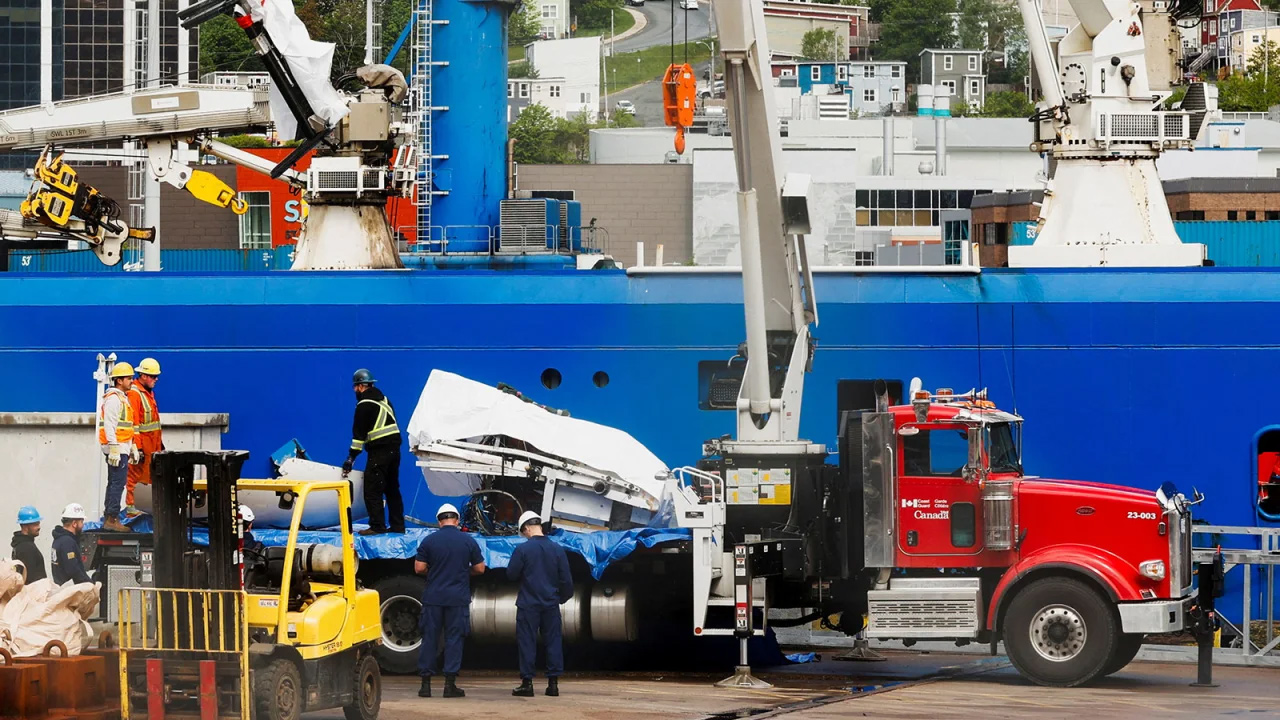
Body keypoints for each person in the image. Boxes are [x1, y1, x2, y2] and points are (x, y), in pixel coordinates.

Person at [414, 503, 485, 699]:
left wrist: (434, 573)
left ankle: (425, 686)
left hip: (433, 598)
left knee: (430, 639)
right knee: (454, 639)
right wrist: (464, 573)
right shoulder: (468, 541)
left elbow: (419, 568)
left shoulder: (429, 541)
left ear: (439, 521)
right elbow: (480, 569)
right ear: (457, 520)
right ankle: (449, 685)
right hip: (457, 599)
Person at [507, 511, 573, 698]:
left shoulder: (523, 550)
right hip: (550, 604)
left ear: (527, 528)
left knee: (527, 642)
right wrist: (560, 599)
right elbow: (566, 581)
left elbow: (511, 574)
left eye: (523, 532)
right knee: (553, 641)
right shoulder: (557, 549)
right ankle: (553, 685)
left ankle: (527, 684)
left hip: (528, 604)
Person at [342, 369, 405, 535]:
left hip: (379, 451)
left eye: (355, 387)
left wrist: (350, 459)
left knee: (372, 489)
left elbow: (358, 437)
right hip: (394, 450)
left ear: (361, 386)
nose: (355, 390)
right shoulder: (384, 400)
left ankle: (377, 526)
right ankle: (398, 526)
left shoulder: (364, 405)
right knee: (392, 488)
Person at [98, 362, 138, 532]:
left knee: (114, 483)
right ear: (119, 380)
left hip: (121, 447)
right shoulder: (114, 399)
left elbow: (126, 426)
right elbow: (110, 425)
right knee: (117, 483)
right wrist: (114, 447)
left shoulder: (122, 398)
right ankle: (112, 519)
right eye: (128, 378)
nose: (131, 381)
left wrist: (132, 446)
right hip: (117, 449)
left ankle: (110, 517)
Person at [123, 357, 163, 518]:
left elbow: (152, 424)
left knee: (148, 478)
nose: (156, 379)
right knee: (134, 477)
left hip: (151, 446)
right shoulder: (135, 393)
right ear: (144, 376)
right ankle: (132, 509)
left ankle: (143, 508)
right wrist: (137, 448)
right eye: (153, 376)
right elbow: (134, 424)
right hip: (142, 446)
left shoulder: (147, 393)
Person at [50, 503, 91, 585]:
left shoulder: (59, 539)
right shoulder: (67, 542)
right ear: (74, 523)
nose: (83, 525)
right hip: (70, 591)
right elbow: (73, 570)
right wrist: (90, 585)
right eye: (81, 522)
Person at [11, 506, 47, 584]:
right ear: (25, 526)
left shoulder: (19, 544)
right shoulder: (26, 548)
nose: (39, 527)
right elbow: (30, 579)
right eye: (35, 524)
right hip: (35, 593)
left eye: (39, 523)